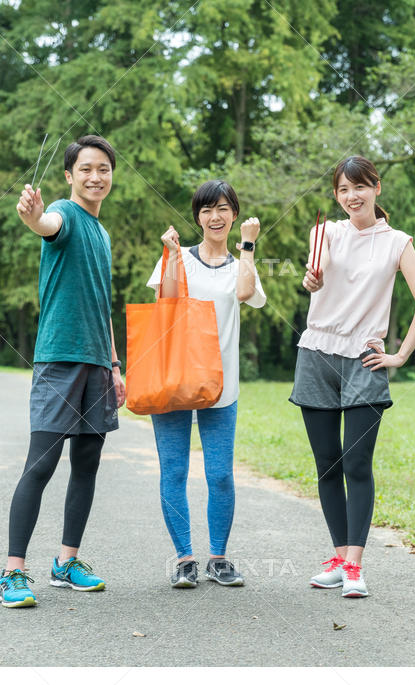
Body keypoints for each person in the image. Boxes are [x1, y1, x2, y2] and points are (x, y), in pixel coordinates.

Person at [291, 155, 415, 598]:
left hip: (365, 359)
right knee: (327, 464)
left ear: (376, 188)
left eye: (359, 187)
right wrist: (311, 281)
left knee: (356, 464)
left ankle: (354, 565)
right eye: (343, 189)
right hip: (316, 353)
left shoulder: (397, 242)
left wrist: (400, 356)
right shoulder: (325, 232)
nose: (351, 196)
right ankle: (339, 558)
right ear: (336, 195)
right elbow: (314, 277)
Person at [0, 135, 126, 608]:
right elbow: (46, 224)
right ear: (70, 176)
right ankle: (12, 573)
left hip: (97, 365)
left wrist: (114, 364)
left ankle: (65, 563)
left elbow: (102, 305)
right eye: (86, 169)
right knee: (41, 465)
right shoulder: (64, 213)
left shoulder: (103, 234)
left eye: (103, 169)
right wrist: (33, 217)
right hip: (59, 359)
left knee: (87, 466)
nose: (96, 177)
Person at [146, 180, 266, 589]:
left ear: (234, 214)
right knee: (174, 470)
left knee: (220, 475)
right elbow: (165, 302)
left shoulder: (240, 263)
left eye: (222, 209)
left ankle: (218, 558)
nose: (214, 217)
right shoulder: (178, 255)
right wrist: (170, 254)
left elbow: (245, 292)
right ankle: (184, 559)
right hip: (174, 378)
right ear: (197, 217)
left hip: (221, 384)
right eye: (206, 210)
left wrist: (248, 245)